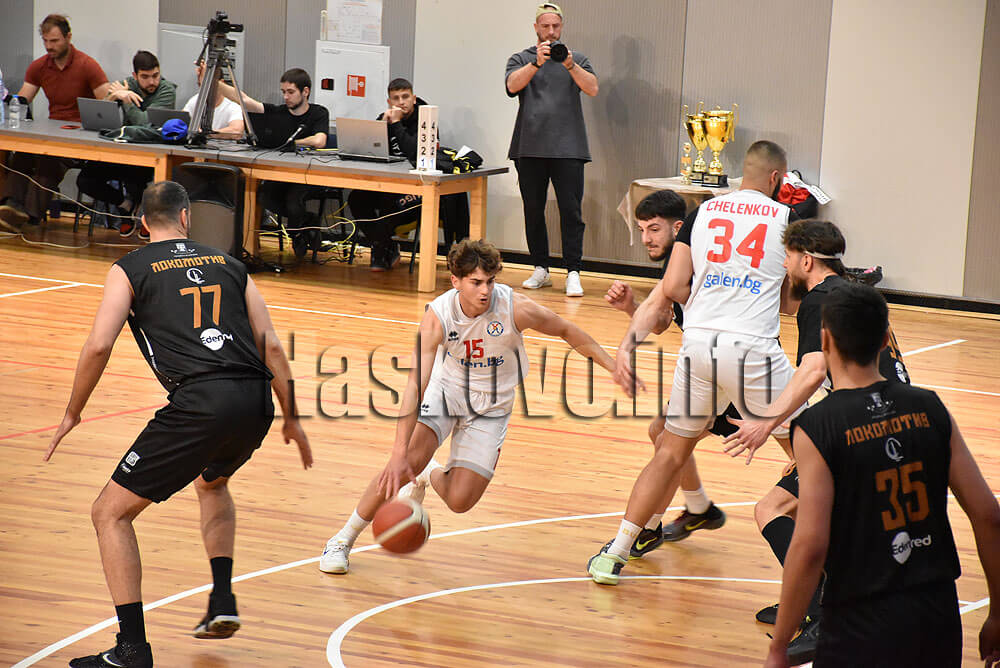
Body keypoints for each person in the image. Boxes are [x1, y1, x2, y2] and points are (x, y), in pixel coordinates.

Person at [44, 181, 312, 668]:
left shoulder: (129, 268)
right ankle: (222, 598)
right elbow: (271, 345)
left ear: (144, 223)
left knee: (109, 514)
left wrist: (72, 411)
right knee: (212, 483)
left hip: (201, 404)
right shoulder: (231, 264)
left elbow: (99, 345)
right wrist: (292, 416)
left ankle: (132, 649)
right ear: (186, 217)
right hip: (254, 401)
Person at [319, 238, 615, 574]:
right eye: (476, 282)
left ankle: (428, 472)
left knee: (460, 502)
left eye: (490, 281)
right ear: (456, 281)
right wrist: (399, 452)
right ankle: (342, 539)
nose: (485, 290)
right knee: (402, 465)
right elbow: (415, 385)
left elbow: (567, 330)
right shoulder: (438, 316)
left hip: (492, 406)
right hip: (447, 393)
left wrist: (614, 366)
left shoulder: (515, 308)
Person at [588, 141, 801, 585]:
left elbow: (672, 287)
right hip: (752, 349)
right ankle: (839, 558)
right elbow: (791, 303)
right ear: (777, 179)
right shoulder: (786, 218)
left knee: (669, 449)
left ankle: (616, 552)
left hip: (699, 346)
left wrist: (628, 345)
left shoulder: (704, 212)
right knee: (811, 455)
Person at [763, 283, 1000, 668]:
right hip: (936, 614)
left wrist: (778, 647)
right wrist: (999, 614)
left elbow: (809, 547)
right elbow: (988, 515)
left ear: (825, 340)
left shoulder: (817, 425)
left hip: (858, 620)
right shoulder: (931, 407)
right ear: (886, 340)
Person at [708, 219, 912, 661]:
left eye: (787, 257)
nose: (784, 265)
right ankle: (813, 598)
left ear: (805, 260)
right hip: (897, 418)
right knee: (818, 515)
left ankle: (822, 613)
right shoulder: (856, 292)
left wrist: (765, 423)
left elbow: (814, 369)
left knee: (771, 509)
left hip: (863, 428)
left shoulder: (819, 299)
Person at [604, 190, 728, 557]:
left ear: (678, 227)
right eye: (641, 229)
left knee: (669, 443)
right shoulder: (676, 258)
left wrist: (626, 347)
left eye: (654, 229)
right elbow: (661, 323)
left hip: (725, 364)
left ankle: (648, 529)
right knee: (663, 433)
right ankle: (699, 509)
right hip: (711, 362)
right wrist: (631, 307)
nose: (646, 238)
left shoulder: (694, 257)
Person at [506, 2, 598, 297]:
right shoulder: (521, 58)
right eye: (545, 26)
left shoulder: (577, 59)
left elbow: (593, 88)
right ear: (536, 28)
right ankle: (540, 268)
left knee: (571, 212)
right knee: (533, 210)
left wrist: (570, 65)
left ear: (562, 27)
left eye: (555, 26)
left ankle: (573, 272)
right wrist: (536, 63)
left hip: (569, 148)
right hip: (529, 147)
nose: (550, 31)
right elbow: (511, 86)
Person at [0, 14, 109, 231]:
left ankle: (29, 214)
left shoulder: (87, 65)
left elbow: (106, 104)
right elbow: (22, 101)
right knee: (23, 152)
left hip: (79, 138)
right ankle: (11, 204)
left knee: (48, 159)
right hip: (52, 131)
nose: (49, 46)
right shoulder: (39, 66)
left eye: (55, 41)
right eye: (46, 41)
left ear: (68, 37)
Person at [347, 78, 467, 271]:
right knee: (356, 199)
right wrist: (381, 125)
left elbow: (414, 151)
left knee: (388, 203)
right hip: (388, 183)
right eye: (396, 98)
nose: (401, 102)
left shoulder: (426, 120)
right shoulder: (385, 118)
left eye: (405, 97)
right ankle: (385, 244)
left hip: (417, 189)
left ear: (414, 98)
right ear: (389, 102)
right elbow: (370, 149)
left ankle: (380, 250)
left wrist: (396, 124)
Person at [213, 66, 329, 257]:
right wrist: (213, 81)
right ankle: (306, 222)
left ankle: (297, 234)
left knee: (293, 200)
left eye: (290, 92)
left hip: (309, 176)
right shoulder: (279, 112)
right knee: (264, 196)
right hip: (282, 174)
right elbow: (245, 101)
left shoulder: (318, 113)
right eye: (283, 92)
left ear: (305, 91)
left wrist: (292, 143)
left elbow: (319, 140)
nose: (286, 97)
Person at [77, 50, 177, 237]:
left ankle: (143, 215)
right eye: (145, 77)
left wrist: (127, 100)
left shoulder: (167, 90)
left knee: (135, 179)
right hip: (120, 152)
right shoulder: (124, 85)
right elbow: (102, 116)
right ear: (135, 75)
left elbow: (144, 123)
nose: (152, 82)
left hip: (149, 156)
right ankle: (125, 205)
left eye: (155, 75)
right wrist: (113, 97)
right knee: (85, 180)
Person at [182, 64, 244, 135]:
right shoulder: (195, 100)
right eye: (201, 84)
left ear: (221, 83)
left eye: (209, 84)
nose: (205, 89)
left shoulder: (232, 106)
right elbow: (181, 121)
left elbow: (237, 131)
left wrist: (206, 134)